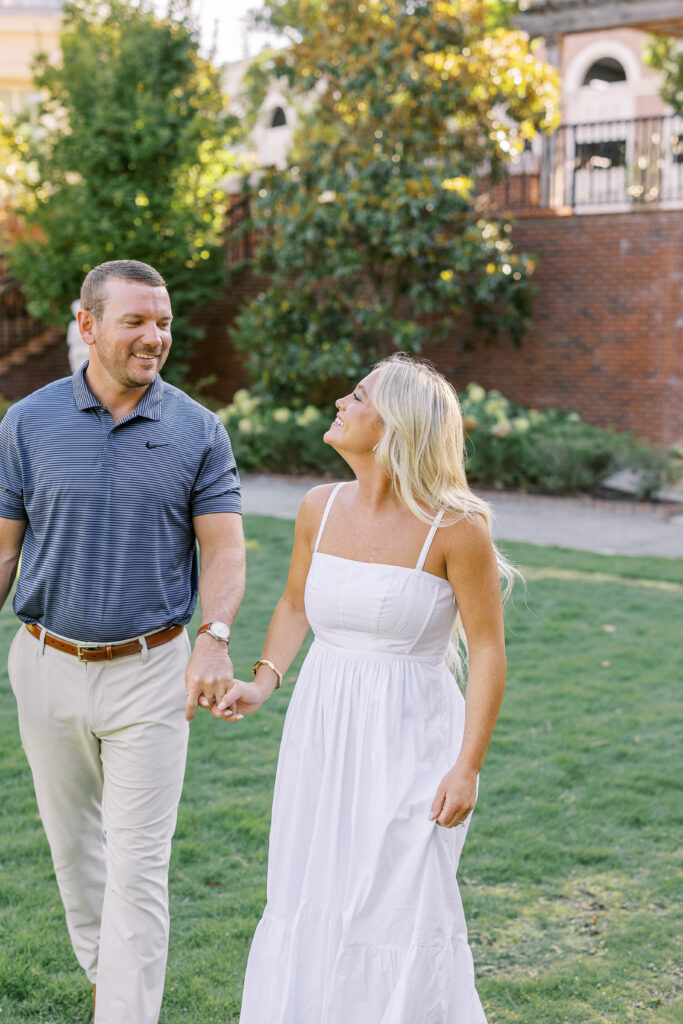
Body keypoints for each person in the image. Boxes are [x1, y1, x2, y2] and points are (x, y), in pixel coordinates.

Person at [220, 353, 514, 1023]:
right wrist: (263, 682)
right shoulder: (317, 507)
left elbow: (490, 649)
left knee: (402, 901)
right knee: (312, 887)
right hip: (322, 730)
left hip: (414, 739)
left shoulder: (456, 527)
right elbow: (295, 604)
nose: (339, 403)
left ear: (393, 428)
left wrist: (466, 767)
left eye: (356, 397)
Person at [0, 260, 245, 1024]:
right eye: (136, 320)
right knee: (78, 865)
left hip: (153, 671)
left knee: (138, 869)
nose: (155, 336)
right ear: (88, 326)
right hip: (45, 665)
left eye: (163, 321)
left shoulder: (197, 429)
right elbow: (5, 549)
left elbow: (226, 549)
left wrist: (214, 636)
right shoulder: (27, 423)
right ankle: (116, 996)